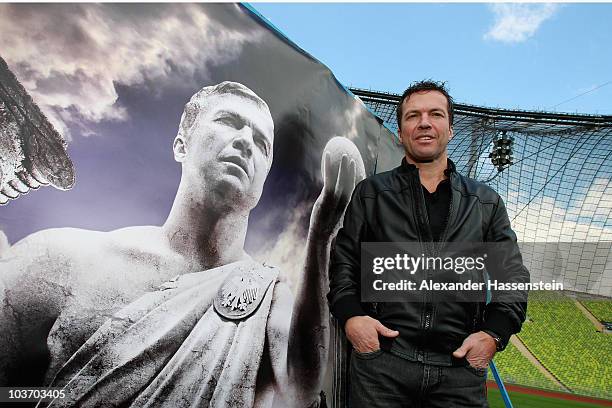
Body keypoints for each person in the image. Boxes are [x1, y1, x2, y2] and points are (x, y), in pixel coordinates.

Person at [0, 81, 360, 407]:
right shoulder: (60, 258)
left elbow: (299, 385)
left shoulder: (267, 296)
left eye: (262, 142)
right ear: (180, 144)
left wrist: (321, 237)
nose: (246, 141)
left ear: (263, 177)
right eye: (229, 122)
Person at [328, 80, 529, 407]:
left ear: (450, 128)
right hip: (382, 366)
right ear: (402, 129)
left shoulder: (486, 202)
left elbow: (512, 276)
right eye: (413, 116)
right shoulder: (372, 194)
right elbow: (344, 264)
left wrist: (494, 334)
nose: (424, 122)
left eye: (435, 114)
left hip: (459, 373)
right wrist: (353, 317)